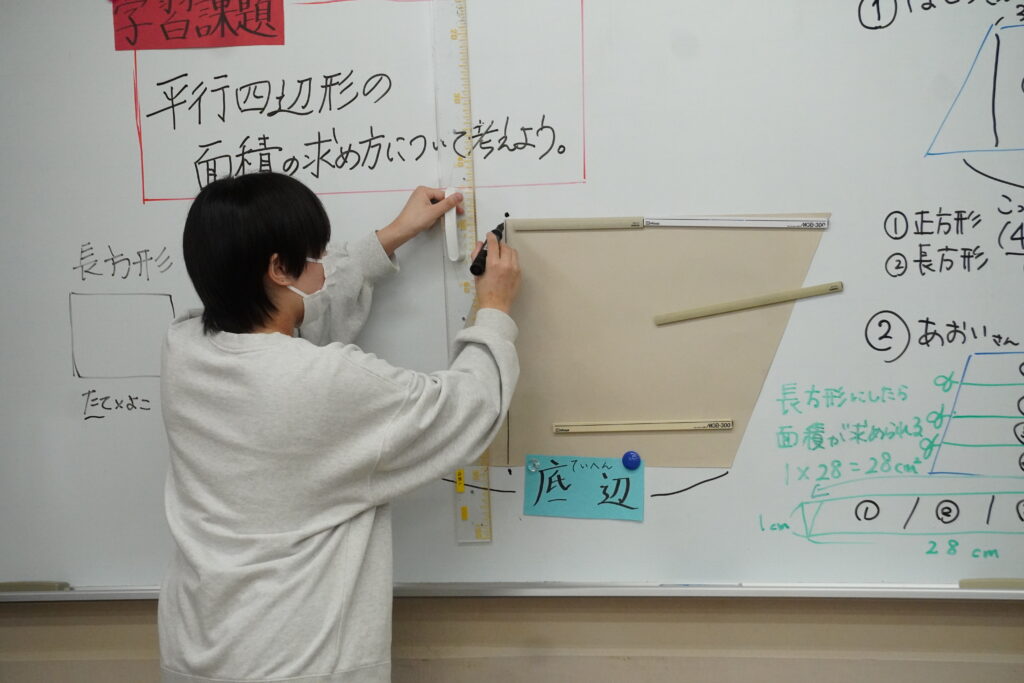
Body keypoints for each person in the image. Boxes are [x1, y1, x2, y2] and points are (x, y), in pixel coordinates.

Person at [158, 172, 520, 683]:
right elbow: (467, 408)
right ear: (278, 268)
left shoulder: (184, 347)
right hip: (297, 663)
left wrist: (388, 239)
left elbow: (290, 320)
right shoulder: (324, 382)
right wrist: (494, 310)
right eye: (314, 258)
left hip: (198, 651)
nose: (324, 268)